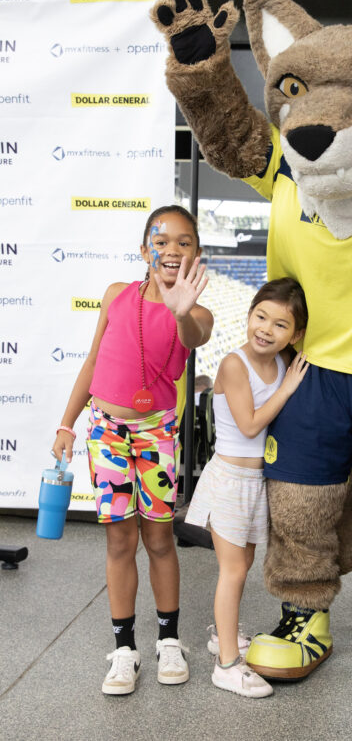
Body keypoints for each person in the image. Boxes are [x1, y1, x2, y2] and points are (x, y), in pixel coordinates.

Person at [51, 204, 213, 695]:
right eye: (161, 241)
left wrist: (181, 310)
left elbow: (194, 335)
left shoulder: (197, 310)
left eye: (184, 242)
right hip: (106, 434)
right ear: (144, 250)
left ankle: (168, 641)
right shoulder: (116, 296)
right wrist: (67, 421)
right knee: (119, 541)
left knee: (160, 540)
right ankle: (124, 650)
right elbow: (94, 361)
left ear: (196, 254)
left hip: (156, 434)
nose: (171, 249)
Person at [185, 277, 309, 698]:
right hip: (229, 480)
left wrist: (288, 376)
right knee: (233, 571)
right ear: (249, 313)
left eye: (280, 325)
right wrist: (289, 387)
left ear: (296, 334)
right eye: (260, 316)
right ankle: (226, 666)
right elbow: (251, 423)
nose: (266, 329)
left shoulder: (280, 361)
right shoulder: (234, 364)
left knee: (244, 566)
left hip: (256, 481)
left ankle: (223, 636)